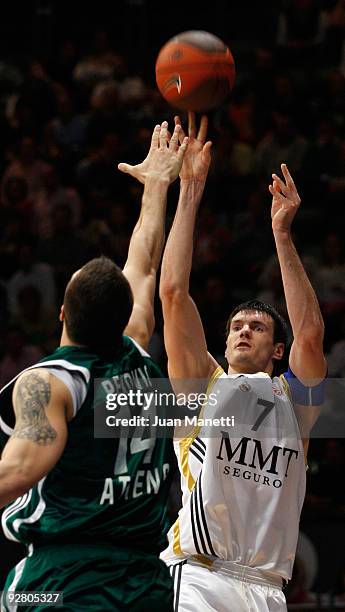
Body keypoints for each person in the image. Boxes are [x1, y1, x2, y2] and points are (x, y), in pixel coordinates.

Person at [0, 120, 188, 611]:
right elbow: (143, 265)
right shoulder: (141, 355)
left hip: (60, 581)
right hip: (146, 583)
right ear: (126, 317)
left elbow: (16, 473)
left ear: (61, 313)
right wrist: (156, 187)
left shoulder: (51, 382)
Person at [159, 113, 326, 612]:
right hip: (200, 580)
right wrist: (189, 189)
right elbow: (172, 293)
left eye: (256, 326)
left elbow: (312, 336)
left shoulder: (295, 406)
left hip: (269, 588)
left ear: (278, 351)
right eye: (235, 326)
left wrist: (281, 233)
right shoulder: (204, 387)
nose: (243, 330)